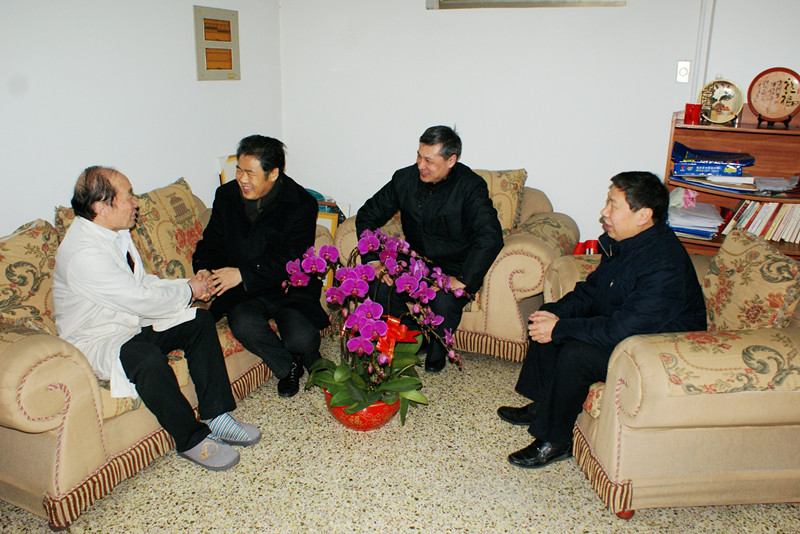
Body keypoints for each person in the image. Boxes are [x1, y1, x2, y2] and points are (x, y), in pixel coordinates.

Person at [53, 166, 260, 472]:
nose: (135, 203)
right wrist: (189, 290)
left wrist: (188, 286)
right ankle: (191, 439)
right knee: (146, 357)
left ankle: (216, 415)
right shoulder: (83, 254)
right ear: (101, 207)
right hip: (99, 340)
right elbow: (139, 299)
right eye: (128, 197)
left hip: (130, 322)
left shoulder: (115, 233)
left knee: (199, 322)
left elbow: (141, 284)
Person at [499, 171, 707, 469]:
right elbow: (592, 290)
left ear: (643, 215)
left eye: (613, 205)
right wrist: (557, 314)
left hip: (654, 351)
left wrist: (560, 328)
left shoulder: (664, 265)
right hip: (626, 329)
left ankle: (555, 440)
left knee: (576, 352)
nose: (604, 212)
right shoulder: (627, 242)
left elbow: (624, 329)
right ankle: (544, 405)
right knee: (547, 314)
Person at [355, 125, 504, 373]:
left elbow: (490, 235)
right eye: (419, 156)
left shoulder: (470, 186)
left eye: (429, 161)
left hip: (455, 267)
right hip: (415, 263)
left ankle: (437, 346)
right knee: (379, 285)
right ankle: (403, 338)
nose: (420, 165)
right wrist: (374, 261)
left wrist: (463, 279)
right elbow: (367, 215)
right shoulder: (404, 179)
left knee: (443, 301)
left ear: (451, 160)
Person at [192, 135, 329, 398]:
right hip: (245, 291)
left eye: (250, 173)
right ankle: (287, 366)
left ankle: (309, 356)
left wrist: (242, 273)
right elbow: (212, 241)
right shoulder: (226, 195)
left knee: (300, 338)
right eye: (239, 170)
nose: (242, 179)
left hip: (287, 286)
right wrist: (204, 268)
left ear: (273, 173)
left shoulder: (301, 203)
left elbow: (292, 259)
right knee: (243, 323)